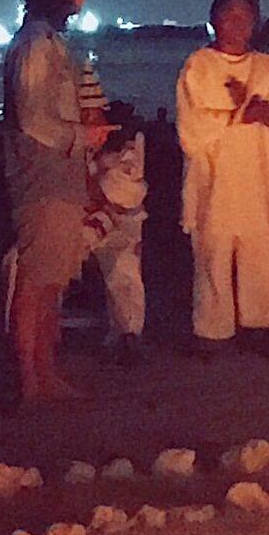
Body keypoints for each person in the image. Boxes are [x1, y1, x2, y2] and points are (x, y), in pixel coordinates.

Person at [2, 0, 109, 403]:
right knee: (35, 280)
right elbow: (32, 118)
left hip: (61, 176)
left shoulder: (50, 43)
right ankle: (30, 380)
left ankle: (46, 372)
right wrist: (83, 135)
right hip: (42, 177)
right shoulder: (35, 45)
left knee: (53, 280)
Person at [174, 0, 269, 350]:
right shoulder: (198, 66)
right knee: (212, 251)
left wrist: (254, 109)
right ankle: (211, 331)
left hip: (255, 177)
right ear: (215, 21)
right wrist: (246, 112)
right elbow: (192, 129)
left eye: (246, 16)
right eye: (230, 16)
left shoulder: (266, 67)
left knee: (261, 249)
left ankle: (262, 326)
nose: (239, 23)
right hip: (212, 179)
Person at [87, 100, 149, 370]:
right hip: (82, 218)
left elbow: (129, 191)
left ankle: (128, 333)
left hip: (119, 219)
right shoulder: (69, 139)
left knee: (124, 266)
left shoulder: (127, 147)